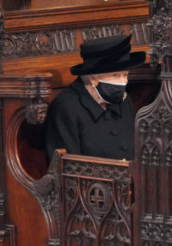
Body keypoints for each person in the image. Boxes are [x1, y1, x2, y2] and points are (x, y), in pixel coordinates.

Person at [44, 34, 146, 163]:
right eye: (115, 75)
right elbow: (67, 168)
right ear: (93, 77)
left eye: (125, 75)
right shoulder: (66, 107)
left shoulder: (124, 100)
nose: (123, 82)